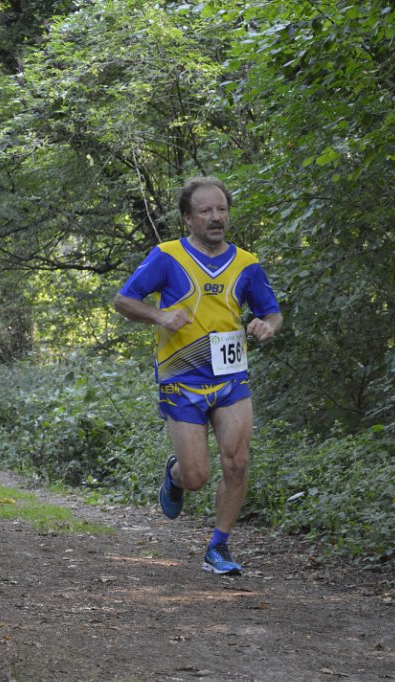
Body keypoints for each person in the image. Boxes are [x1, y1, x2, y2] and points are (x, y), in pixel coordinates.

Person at [114, 176, 283, 576]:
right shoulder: (166, 256)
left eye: (221, 209)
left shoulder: (247, 263)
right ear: (188, 218)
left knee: (237, 462)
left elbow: (272, 311)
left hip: (231, 377)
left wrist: (267, 325)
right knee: (196, 478)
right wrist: (159, 316)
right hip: (181, 379)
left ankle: (218, 546)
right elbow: (123, 300)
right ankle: (176, 474)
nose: (215, 217)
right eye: (205, 211)